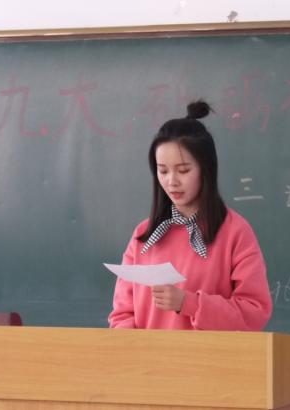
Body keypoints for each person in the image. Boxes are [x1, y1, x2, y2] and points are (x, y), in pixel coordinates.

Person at [108, 100, 273, 330]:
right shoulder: (144, 235)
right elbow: (122, 314)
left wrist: (189, 303)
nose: (171, 181)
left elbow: (254, 312)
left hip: (207, 354)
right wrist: (128, 339)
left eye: (183, 170)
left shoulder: (235, 231)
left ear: (206, 169)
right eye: (163, 170)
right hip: (148, 354)